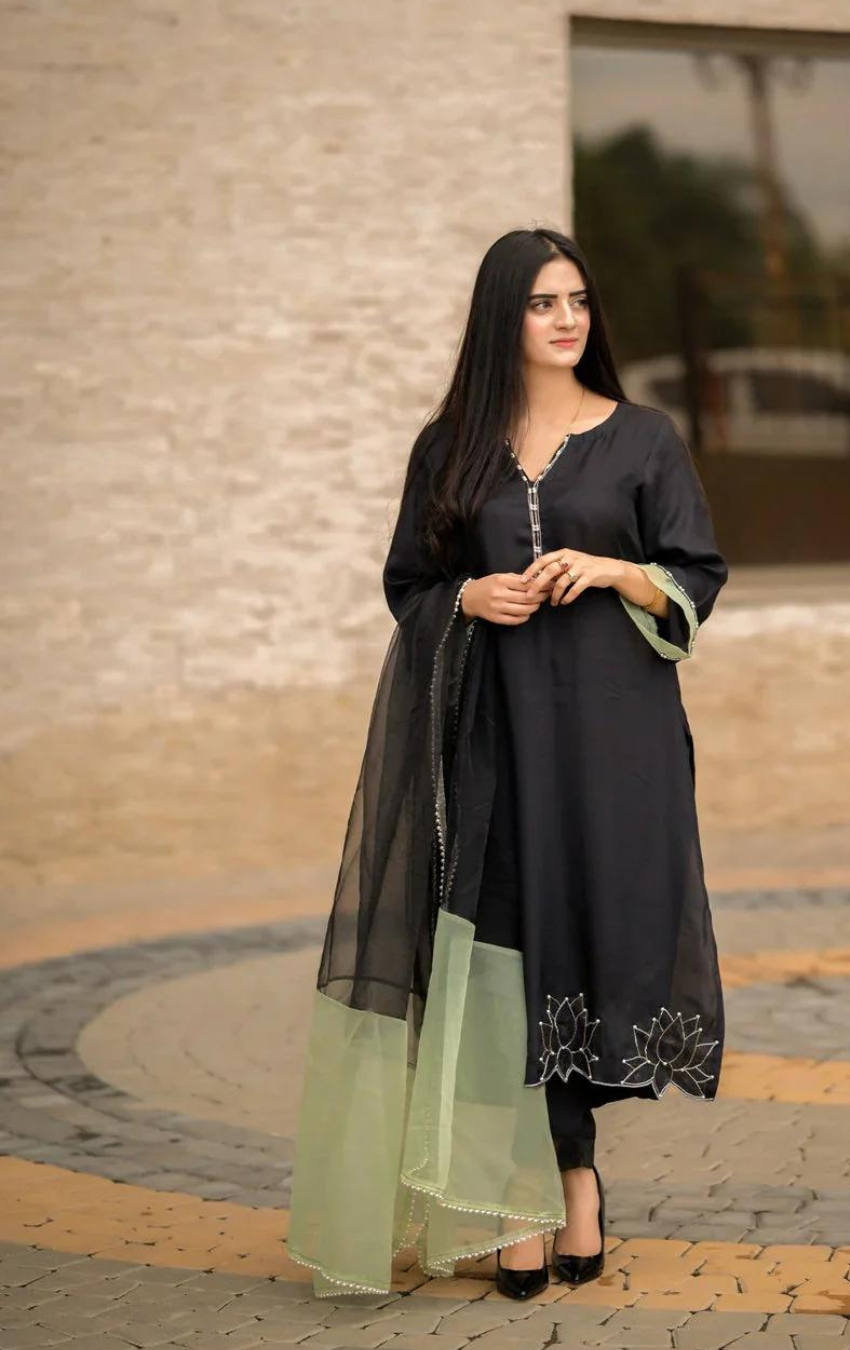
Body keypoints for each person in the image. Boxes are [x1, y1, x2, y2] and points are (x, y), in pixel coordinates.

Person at [286, 226, 728, 1302]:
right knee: (503, 959)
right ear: (503, 318)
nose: (567, 319)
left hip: (617, 747)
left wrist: (618, 570)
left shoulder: (642, 438)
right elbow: (409, 585)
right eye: (542, 303)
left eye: (577, 299)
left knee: (589, 945)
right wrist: (470, 597)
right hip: (492, 745)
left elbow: (696, 575)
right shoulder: (450, 449)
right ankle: (531, 1199)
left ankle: (569, 1184)